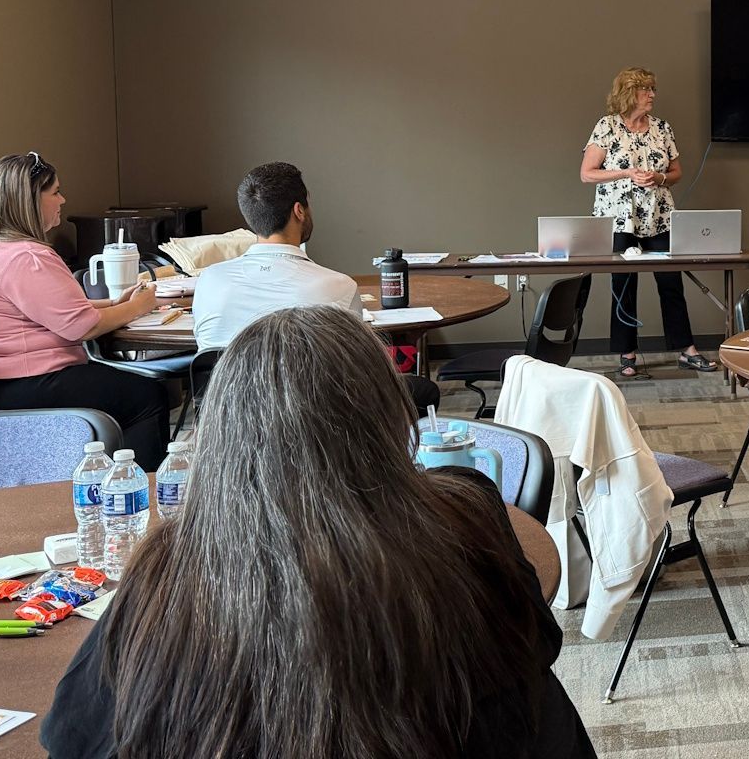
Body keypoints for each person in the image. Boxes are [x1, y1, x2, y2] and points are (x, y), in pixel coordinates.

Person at [39, 307, 597, 759]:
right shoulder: (464, 513)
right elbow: (540, 643)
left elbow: (70, 736)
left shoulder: (171, 571)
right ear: (390, 420)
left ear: (222, 433)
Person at [0, 152, 171, 465]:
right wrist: (140, 306)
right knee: (146, 396)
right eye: (55, 192)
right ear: (31, 200)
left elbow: (43, 309)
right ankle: (138, 495)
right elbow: (82, 327)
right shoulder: (27, 258)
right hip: (26, 386)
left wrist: (115, 303)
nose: (62, 199)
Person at [192, 161, 441, 409]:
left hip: (227, 422)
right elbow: (357, 366)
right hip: (314, 423)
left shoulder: (209, 281)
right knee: (423, 391)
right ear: (299, 210)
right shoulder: (336, 286)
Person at [580, 66, 716, 378]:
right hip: (619, 220)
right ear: (629, 94)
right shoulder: (607, 127)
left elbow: (677, 173)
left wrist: (660, 177)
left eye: (653, 89)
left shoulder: (662, 128)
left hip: (659, 218)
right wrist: (627, 173)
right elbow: (588, 173)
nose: (652, 95)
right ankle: (627, 354)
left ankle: (686, 350)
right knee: (623, 285)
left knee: (671, 283)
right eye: (646, 90)